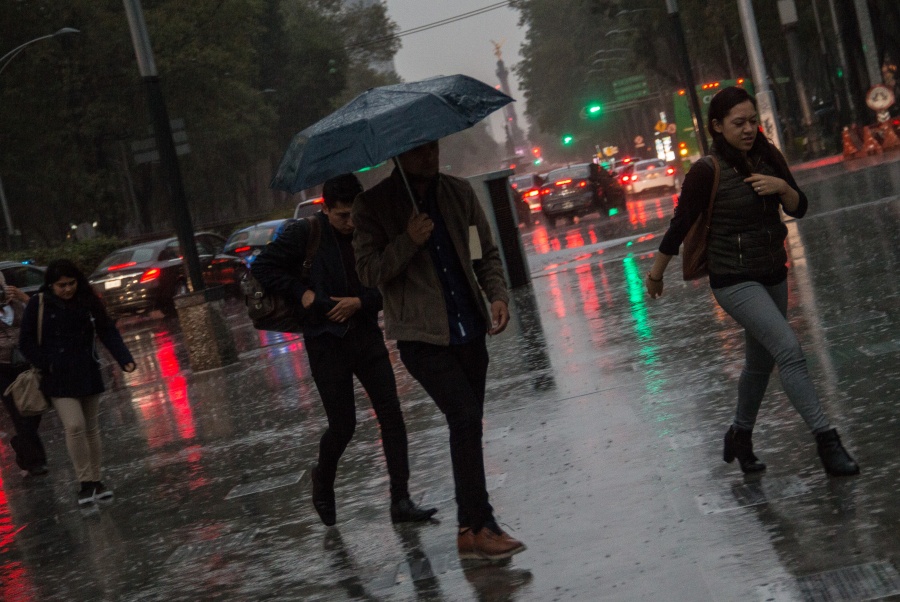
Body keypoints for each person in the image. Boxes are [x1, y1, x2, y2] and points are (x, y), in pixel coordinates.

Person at [645, 86, 859, 478]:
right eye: (738, 123)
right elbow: (680, 225)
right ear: (717, 126)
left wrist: (782, 188)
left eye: (752, 121)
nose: (748, 129)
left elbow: (801, 207)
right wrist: (656, 273)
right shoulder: (705, 171)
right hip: (733, 281)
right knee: (789, 350)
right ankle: (828, 442)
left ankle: (740, 436)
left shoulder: (767, 157)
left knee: (759, 365)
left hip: (773, 272)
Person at [352, 140, 527, 561]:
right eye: (417, 151)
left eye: (432, 148)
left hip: (469, 329)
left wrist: (497, 294)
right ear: (398, 155)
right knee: (464, 416)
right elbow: (369, 271)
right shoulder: (373, 206)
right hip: (421, 338)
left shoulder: (458, 193)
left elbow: (482, 251)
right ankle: (481, 524)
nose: (428, 157)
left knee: (468, 426)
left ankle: (471, 528)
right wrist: (408, 240)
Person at [252, 173, 437, 527]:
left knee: (392, 415)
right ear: (326, 209)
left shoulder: (370, 231)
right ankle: (323, 479)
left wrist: (361, 302)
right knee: (343, 425)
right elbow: (263, 267)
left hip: (365, 334)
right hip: (325, 341)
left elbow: (389, 280)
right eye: (342, 216)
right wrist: (301, 292)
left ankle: (401, 499)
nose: (350, 223)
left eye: (355, 214)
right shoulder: (306, 233)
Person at [18, 259, 136, 505]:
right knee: (74, 426)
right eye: (61, 285)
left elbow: (106, 330)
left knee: (91, 428)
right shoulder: (39, 304)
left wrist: (124, 358)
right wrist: (45, 363)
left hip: (87, 370)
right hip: (57, 376)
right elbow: (26, 341)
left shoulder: (87, 300)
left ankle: (96, 479)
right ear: (51, 285)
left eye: (71, 283)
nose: (67, 289)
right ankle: (84, 483)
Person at [0, 273, 48, 477]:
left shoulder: (19, 304)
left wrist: (24, 298)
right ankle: (36, 461)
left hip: (26, 365)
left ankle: (21, 444)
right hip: (2, 369)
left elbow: (43, 318)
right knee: (19, 413)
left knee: (34, 409)